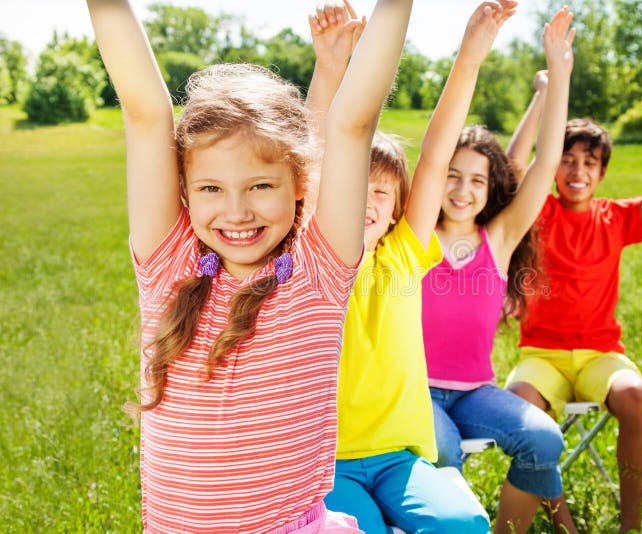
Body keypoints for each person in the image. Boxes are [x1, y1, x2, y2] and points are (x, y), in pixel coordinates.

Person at [85, 0, 413, 531]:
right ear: (185, 192)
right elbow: (145, 111)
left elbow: (354, 123)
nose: (236, 211)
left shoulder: (317, 277)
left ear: (301, 185)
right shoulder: (168, 269)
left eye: (260, 186)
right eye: (211, 188)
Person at [306, 2, 516, 532]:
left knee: (466, 523)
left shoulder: (404, 253)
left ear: (397, 207)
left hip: (402, 458)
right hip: (329, 465)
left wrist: (470, 54)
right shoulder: (317, 259)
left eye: (379, 191)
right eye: (352, 186)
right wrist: (330, 69)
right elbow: (312, 161)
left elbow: (436, 155)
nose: (363, 199)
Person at [506, 93, 642, 532]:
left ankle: (631, 526)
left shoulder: (618, 217)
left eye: (589, 163)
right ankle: (562, 521)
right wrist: (541, 98)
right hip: (541, 355)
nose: (578, 171)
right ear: (551, 167)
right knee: (521, 405)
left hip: (599, 355)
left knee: (636, 395)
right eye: (566, 160)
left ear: (603, 173)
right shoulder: (539, 210)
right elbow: (513, 168)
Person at [420, 8, 577, 534]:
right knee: (442, 451)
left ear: (491, 191)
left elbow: (545, 157)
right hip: (415, 389)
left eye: (478, 182)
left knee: (544, 439)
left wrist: (559, 75)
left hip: (475, 391)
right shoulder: (415, 234)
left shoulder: (500, 239)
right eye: (452, 176)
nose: (463, 191)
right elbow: (431, 153)